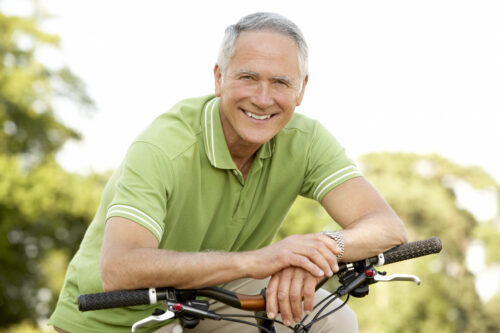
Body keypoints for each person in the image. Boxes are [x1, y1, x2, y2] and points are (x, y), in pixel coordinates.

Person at [49, 12, 407, 333]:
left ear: (301, 89)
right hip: (108, 319)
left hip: (207, 303)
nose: (263, 98)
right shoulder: (164, 146)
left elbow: (386, 227)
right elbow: (119, 268)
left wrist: (318, 252)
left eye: (281, 82)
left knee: (332, 318)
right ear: (219, 78)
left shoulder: (306, 139)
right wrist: (256, 261)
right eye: (248, 77)